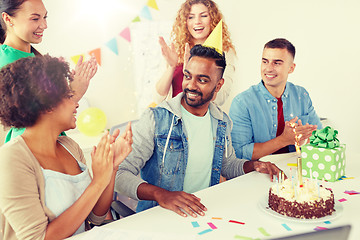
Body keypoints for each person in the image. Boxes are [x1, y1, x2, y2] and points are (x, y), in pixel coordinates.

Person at [115, 45, 281, 218]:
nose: (190, 85)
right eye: (188, 76)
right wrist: (162, 195)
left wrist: (253, 165)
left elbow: (228, 164)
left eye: (202, 80)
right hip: (160, 216)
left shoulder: (221, 121)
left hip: (203, 212)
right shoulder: (156, 118)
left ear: (218, 85)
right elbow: (120, 174)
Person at [0, 55, 133, 240]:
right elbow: (37, 238)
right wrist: (98, 182)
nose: (76, 102)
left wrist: (110, 168)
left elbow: (96, 216)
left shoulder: (69, 146)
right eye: (69, 96)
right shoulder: (11, 158)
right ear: (46, 105)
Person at [0, 0, 97, 142]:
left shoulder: (30, 57)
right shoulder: (8, 64)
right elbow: (36, 122)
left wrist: (68, 90)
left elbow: (47, 107)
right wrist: (75, 93)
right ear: (8, 19)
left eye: (44, 17)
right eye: (35, 18)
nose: (44, 25)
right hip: (33, 149)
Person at [229, 38, 322, 161]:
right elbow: (239, 153)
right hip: (256, 175)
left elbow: (319, 137)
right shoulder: (242, 103)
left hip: (294, 170)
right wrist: (283, 140)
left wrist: (304, 139)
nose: (268, 68)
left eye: (277, 63)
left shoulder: (301, 95)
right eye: (265, 61)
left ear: (291, 68)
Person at [155, 0, 236, 106]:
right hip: (173, 118)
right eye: (191, 17)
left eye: (203, 16)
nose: (197, 21)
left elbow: (220, 98)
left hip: (202, 118)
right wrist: (171, 66)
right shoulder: (176, 49)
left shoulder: (224, 51)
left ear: (213, 19)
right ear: (185, 22)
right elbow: (159, 97)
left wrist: (193, 71)